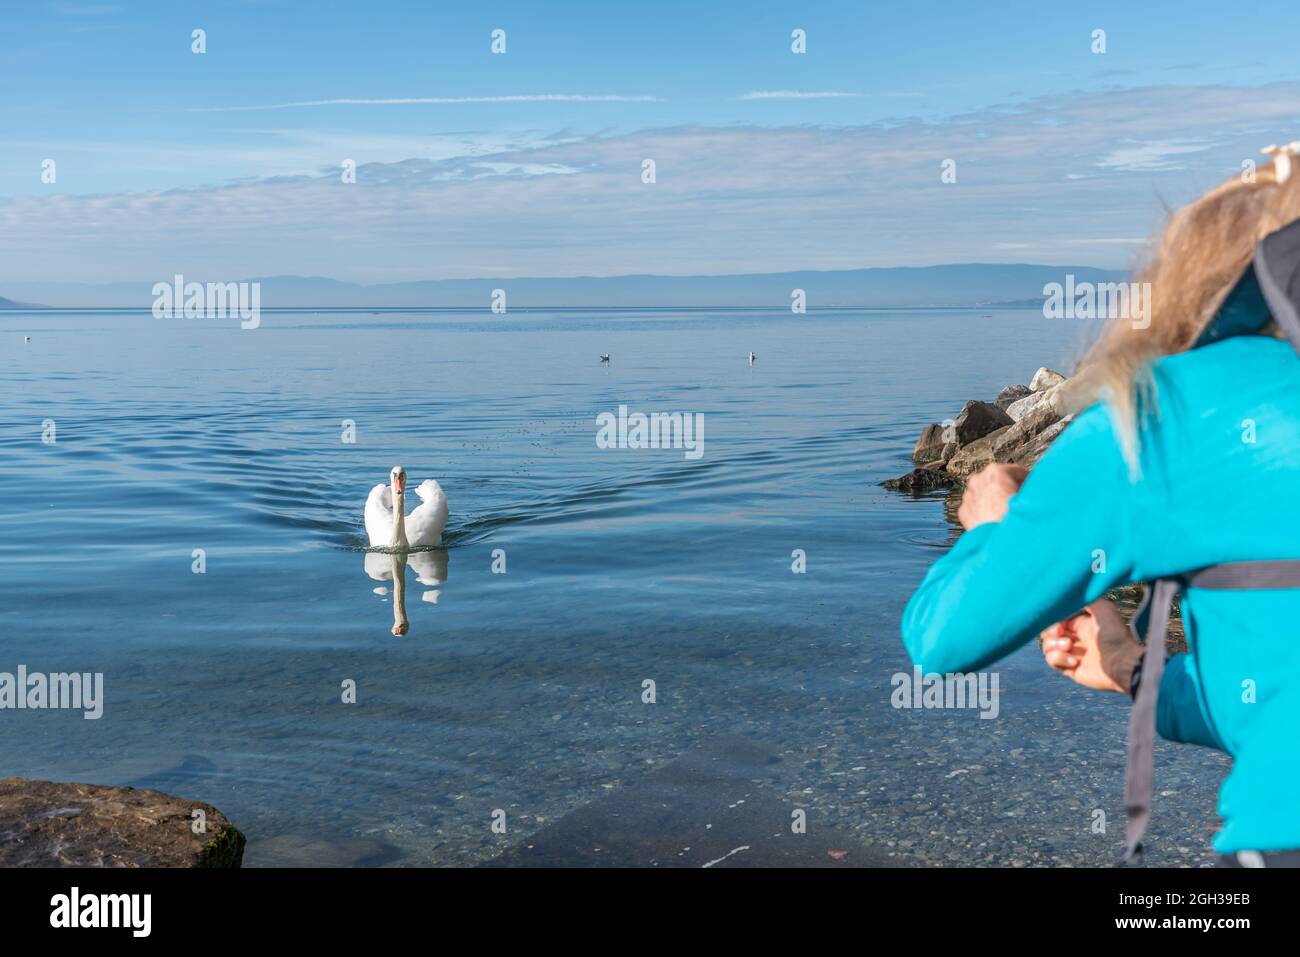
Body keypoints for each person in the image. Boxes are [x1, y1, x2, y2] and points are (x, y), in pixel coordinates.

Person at [901, 144, 1300, 866]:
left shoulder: (1161, 413)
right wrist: (1130, 665)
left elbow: (942, 638)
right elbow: (1272, 693)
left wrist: (988, 523)